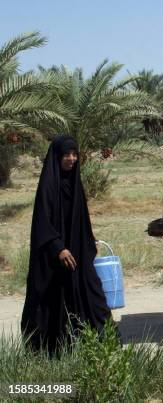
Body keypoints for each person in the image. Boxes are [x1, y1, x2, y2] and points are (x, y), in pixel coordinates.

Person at [21, 135, 114, 355]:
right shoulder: (48, 187)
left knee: (92, 292)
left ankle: (102, 344)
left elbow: (81, 219)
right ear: (57, 156)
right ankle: (50, 350)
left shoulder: (75, 183)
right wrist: (58, 247)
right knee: (53, 300)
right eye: (66, 154)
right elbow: (43, 222)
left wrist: (88, 242)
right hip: (55, 257)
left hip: (78, 253)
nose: (71, 159)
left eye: (74, 154)